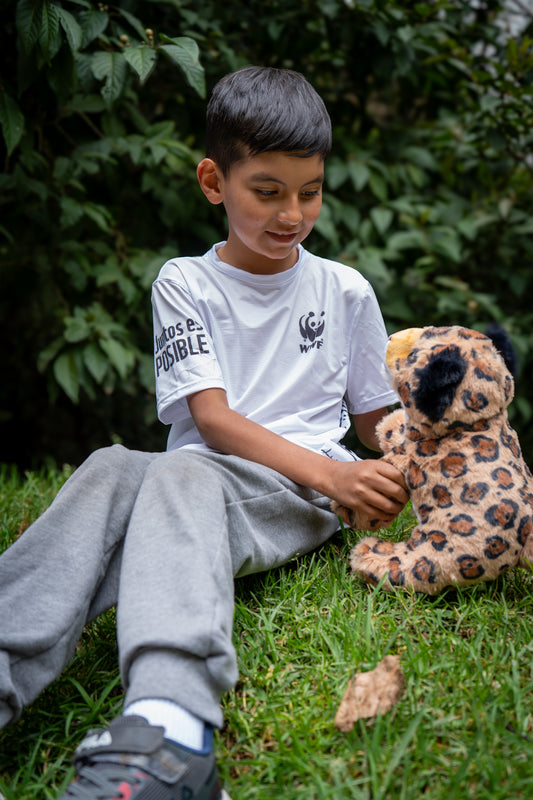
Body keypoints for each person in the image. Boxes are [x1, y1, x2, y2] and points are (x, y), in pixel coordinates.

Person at [0, 66, 408, 800]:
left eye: (309, 192)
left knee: (178, 471)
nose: (292, 214)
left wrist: (434, 467)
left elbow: (380, 421)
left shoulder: (344, 288)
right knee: (111, 465)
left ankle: (172, 729)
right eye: (268, 191)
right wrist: (337, 475)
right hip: (204, 484)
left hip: (297, 488)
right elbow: (211, 419)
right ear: (214, 181)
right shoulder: (183, 281)